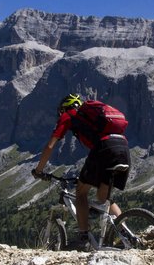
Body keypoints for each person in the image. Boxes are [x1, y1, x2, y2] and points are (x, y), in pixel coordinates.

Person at [31, 93, 131, 251]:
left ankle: (84, 239)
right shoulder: (91, 116)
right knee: (104, 198)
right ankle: (127, 235)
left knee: (81, 192)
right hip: (123, 146)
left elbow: (50, 145)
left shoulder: (69, 115)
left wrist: (39, 170)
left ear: (65, 108)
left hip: (104, 147)